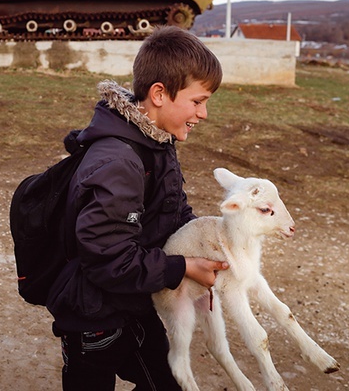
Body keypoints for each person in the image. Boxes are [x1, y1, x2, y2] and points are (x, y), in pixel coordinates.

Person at [46, 26, 229, 390]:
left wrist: (211, 245)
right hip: (92, 320)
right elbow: (108, 259)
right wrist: (183, 266)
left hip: (133, 303)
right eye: (197, 101)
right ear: (159, 94)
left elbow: (173, 215)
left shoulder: (155, 141)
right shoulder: (120, 162)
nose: (204, 113)